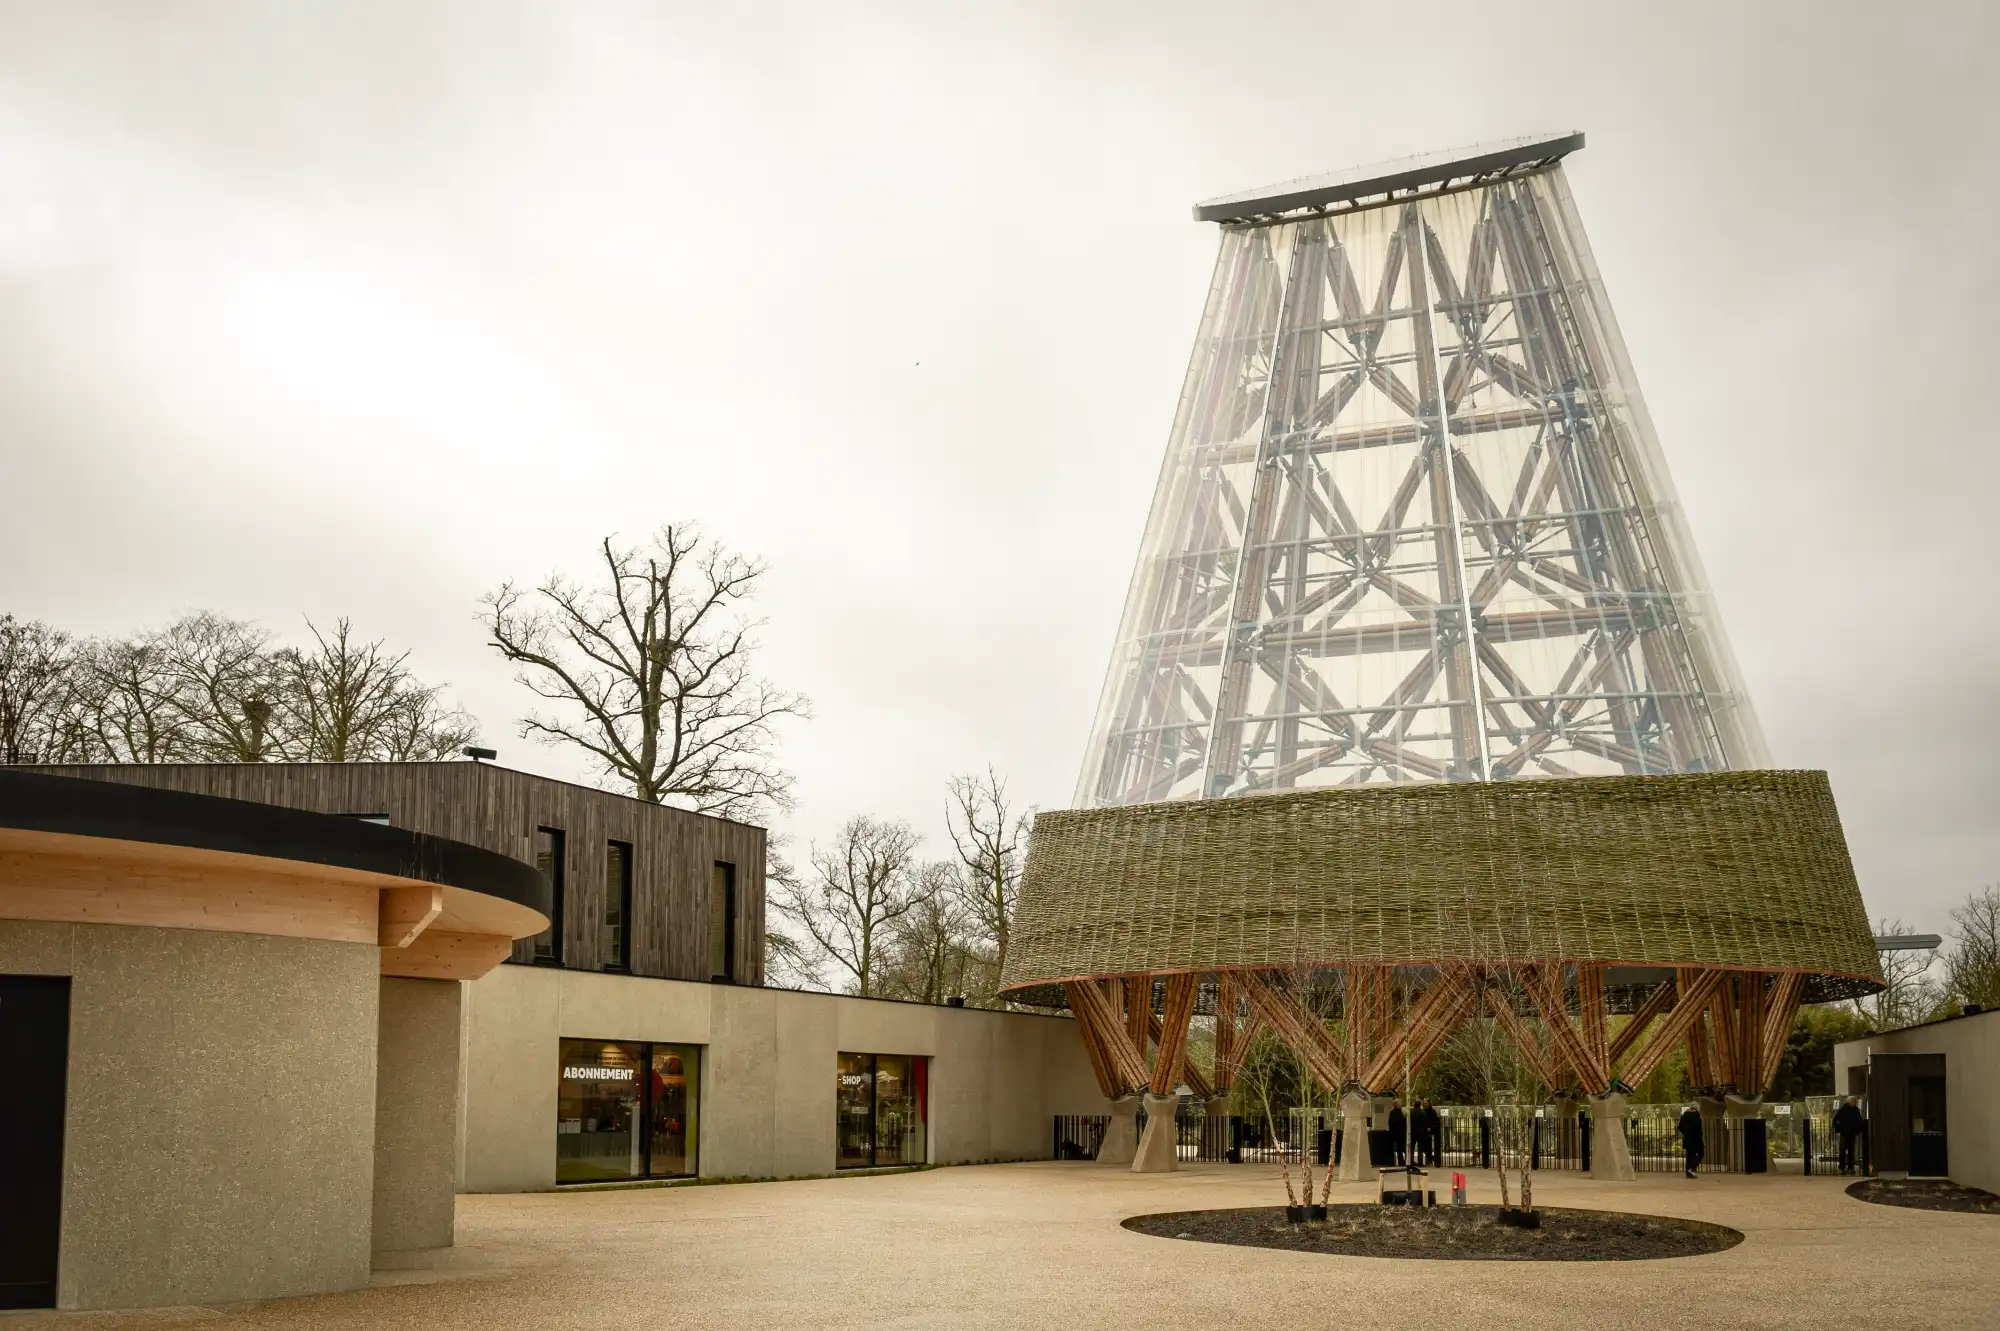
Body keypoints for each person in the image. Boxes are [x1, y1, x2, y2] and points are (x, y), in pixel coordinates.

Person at [1832, 1096, 1865, 1175]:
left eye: (1855, 1101)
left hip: (1852, 1133)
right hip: (1844, 1133)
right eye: (1853, 1101)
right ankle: (1842, 1167)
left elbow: (1858, 1120)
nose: (1855, 1103)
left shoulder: (1856, 1110)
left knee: (1851, 1151)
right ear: (1849, 1102)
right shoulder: (1843, 1110)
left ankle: (1850, 1167)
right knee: (1842, 1151)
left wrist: (1859, 1129)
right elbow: (1835, 1120)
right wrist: (1839, 1128)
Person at [1678, 1102, 1705, 1178]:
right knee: (1701, 1153)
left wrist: (1686, 1133)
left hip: (1687, 1138)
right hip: (1695, 1138)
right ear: (1696, 1108)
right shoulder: (1695, 1115)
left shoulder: (1684, 1115)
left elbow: (1680, 1126)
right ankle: (1692, 1168)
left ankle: (1688, 1173)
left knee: (1689, 1156)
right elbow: (1697, 1127)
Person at [1388, 1100, 1407, 1166]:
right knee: (1399, 1148)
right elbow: (1393, 1123)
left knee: (1401, 1148)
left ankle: (1403, 1161)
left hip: (1400, 1133)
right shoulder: (1394, 1112)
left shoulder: (1399, 1112)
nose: (1401, 1105)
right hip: (1397, 1133)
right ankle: (1401, 1161)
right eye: (1399, 1104)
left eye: (1401, 1104)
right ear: (1395, 1105)